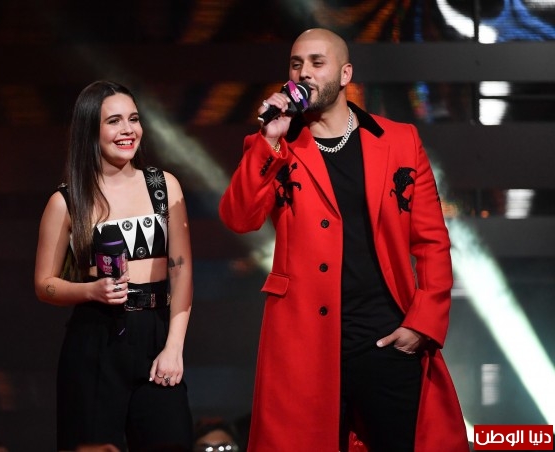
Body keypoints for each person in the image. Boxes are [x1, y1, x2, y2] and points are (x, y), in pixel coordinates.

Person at [218, 29, 469, 452]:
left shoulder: (399, 141)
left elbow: (432, 242)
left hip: (385, 337)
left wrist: (422, 324)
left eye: (317, 63)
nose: (304, 72)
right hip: (303, 340)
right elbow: (239, 218)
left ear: (345, 73)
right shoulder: (277, 145)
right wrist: (269, 139)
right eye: (296, 64)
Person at [34, 80, 194, 451]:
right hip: (95, 341)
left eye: (133, 119)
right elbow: (44, 284)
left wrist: (174, 347)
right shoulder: (67, 201)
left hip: (156, 336)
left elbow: (182, 271)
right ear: (91, 130)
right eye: (114, 121)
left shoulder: (163, 185)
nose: (128, 130)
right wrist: (90, 290)